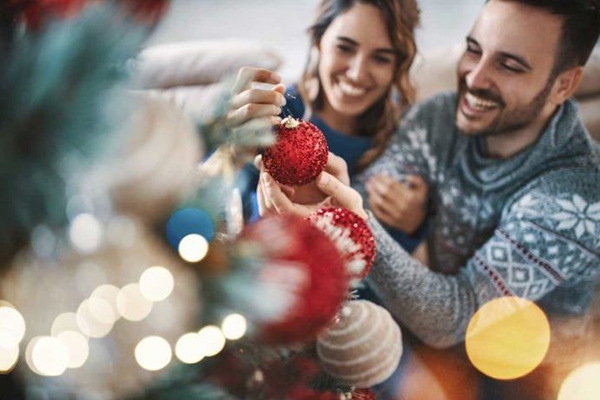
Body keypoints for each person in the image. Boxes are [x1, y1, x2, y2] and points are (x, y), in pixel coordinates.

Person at [257, 0, 600, 398]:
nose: (474, 77)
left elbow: (452, 319)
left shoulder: (578, 197)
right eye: (473, 50)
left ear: (564, 84)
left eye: (509, 65)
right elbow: (362, 196)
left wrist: (356, 223)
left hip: (516, 384)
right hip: (399, 341)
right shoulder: (438, 117)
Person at [228, 0, 428, 253]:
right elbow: (224, 209)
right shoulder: (277, 112)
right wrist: (229, 150)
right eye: (345, 48)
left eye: (380, 58)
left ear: (397, 66)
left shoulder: (409, 132)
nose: (356, 73)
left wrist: (414, 224)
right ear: (319, 41)